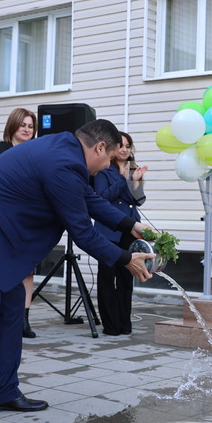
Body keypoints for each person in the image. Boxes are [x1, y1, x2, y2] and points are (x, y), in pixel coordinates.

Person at [0, 119, 155, 423]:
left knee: (11, 306)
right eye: (108, 159)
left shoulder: (67, 149)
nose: (107, 165)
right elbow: (81, 232)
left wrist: (128, 225)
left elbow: (87, 199)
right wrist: (124, 259)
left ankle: (2, 391)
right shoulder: (64, 163)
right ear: (100, 147)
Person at [0, 107, 37, 338]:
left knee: (27, 271)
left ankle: (23, 319)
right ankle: (0, 316)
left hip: (28, 218)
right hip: (3, 218)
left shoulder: (36, 151)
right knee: (1, 267)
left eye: (30, 126)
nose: (26, 129)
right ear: (13, 125)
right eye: (23, 124)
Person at [92, 132, 148, 336]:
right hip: (108, 230)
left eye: (128, 145)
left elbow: (139, 200)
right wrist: (123, 179)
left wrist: (135, 181)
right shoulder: (103, 169)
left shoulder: (133, 168)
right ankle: (111, 326)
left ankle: (124, 323)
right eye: (121, 145)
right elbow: (101, 198)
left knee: (126, 278)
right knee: (107, 279)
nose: (125, 149)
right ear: (113, 148)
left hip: (130, 229)